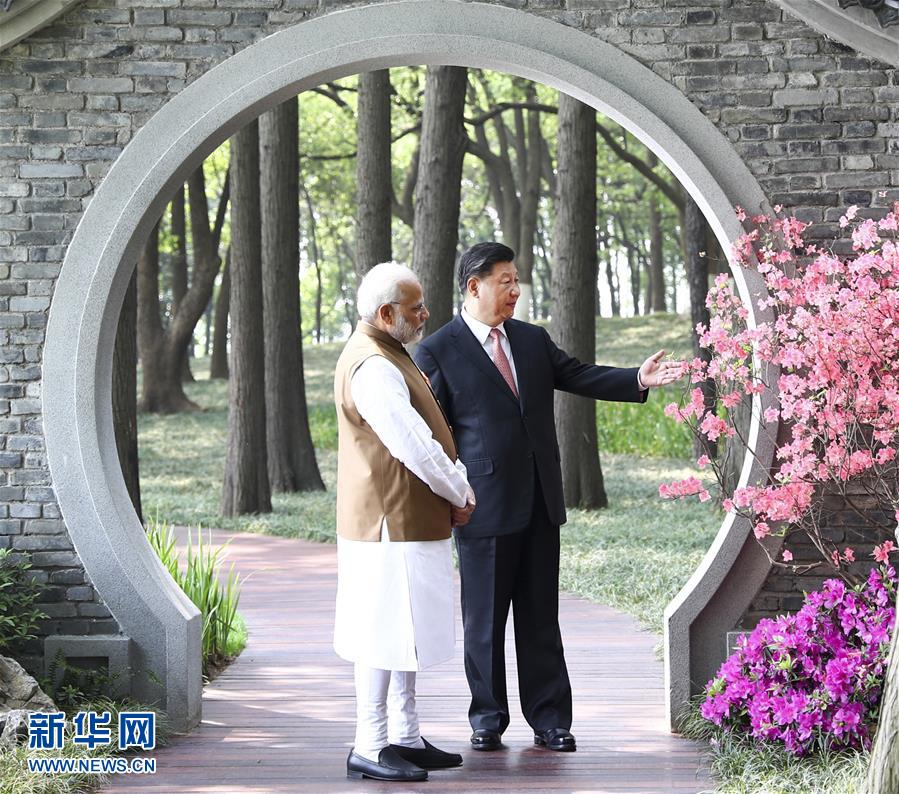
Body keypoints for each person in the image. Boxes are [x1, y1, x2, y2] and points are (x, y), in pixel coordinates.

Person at [413, 242, 682, 753]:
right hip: (482, 506)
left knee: (540, 619)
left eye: (517, 281)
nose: (515, 290)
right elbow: (434, 435)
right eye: (506, 281)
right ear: (474, 286)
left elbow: (578, 374)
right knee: (484, 623)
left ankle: (551, 719)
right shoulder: (438, 350)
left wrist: (636, 379)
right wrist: (448, 495)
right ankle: (487, 718)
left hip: (540, 501)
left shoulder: (532, 340)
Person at [333, 261, 476, 783]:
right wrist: (459, 489)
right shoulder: (373, 365)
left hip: (398, 522)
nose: (425, 314)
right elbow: (414, 445)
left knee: (401, 632)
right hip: (387, 524)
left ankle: (404, 736)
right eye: (415, 308)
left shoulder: (386, 350)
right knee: (380, 634)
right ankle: (370, 744)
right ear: (386, 313)